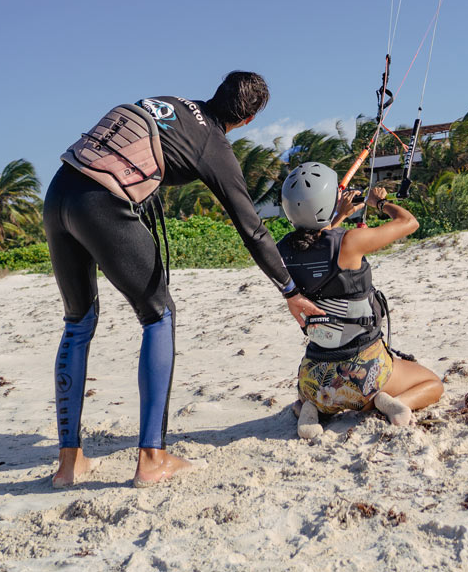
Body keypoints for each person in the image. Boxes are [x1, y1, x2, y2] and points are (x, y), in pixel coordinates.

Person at [43, 70, 318, 488]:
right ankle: (152, 459)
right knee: (159, 315)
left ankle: (69, 464)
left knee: (78, 323)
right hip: (101, 204)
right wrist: (290, 291)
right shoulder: (213, 144)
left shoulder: (169, 102)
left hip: (59, 192)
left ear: (217, 92)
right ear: (247, 121)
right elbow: (252, 229)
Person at [277, 162, 443, 439]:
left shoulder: (281, 251)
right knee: (432, 383)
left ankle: (309, 407)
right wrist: (379, 203)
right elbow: (408, 222)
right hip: (363, 374)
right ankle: (383, 401)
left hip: (313, 378)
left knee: (312, 394)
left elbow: (316, 247)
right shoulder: (351, 243)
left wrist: (338, 216)